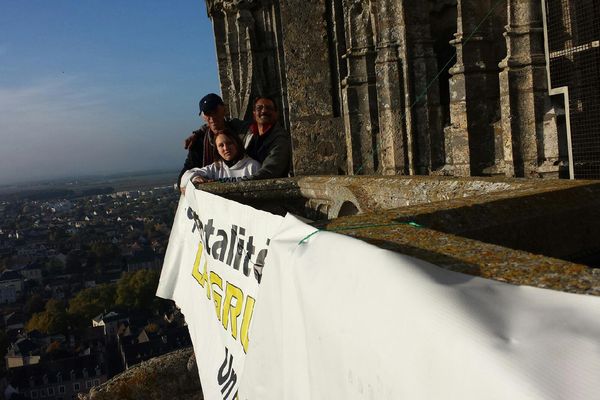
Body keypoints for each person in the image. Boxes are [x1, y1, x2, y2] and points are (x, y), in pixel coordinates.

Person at [178, 93, 247, 189]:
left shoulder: (242, 133)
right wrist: (194, 179)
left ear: (224, 109)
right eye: (207, 113)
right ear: (203, 116)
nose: (212, 117)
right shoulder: (199, 142)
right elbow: (186, 172)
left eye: (214, 111)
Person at [180, 130, 260, 193]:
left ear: (237, 144)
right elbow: (186, 175)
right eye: (221, 145)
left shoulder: (253, 166)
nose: (226, 148)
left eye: (229, 143)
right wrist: (196, 178)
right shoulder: (216, 168)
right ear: (217, 150)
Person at [241, 96, 292, 180]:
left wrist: (243, 182)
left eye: (269, 108)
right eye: (259, 108)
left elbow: (271, 170)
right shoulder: (248, 134)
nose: (264, 111)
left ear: (276, 113)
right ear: (254, 114)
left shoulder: (281, 138)